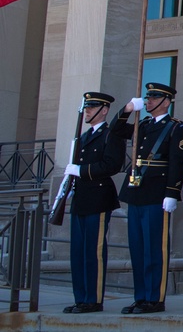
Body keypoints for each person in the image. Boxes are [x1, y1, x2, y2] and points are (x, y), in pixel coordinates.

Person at [110, 82, 183, 314]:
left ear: (167, 101)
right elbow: (114, 131)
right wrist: (126, 110)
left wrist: (172, 193)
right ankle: (141, 297)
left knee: (155, 248)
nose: (148, 101)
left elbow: (177, 162)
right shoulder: (142, 124)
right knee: (138, 248)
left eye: (154, 98)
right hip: (136, 192)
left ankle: (155, 298)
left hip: (157, 192)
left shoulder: (175, 127)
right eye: (148, 98)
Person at [62, 91, 125, 314]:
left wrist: (81, 171)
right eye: (87, 107)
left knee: (94, 251)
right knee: (78, 251)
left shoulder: (111, 135)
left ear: (104, 110)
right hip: (81, 197)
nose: (87, 111)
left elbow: (112, 165)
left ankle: (93, 299)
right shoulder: (84, 137)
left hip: (98, 198)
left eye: (92, 107)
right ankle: (81, 298)